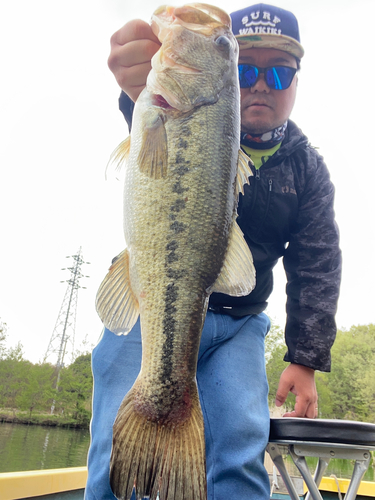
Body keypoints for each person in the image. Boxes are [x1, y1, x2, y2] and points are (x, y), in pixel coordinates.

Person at [85, 4, 342, 500]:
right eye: (245, 69)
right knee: (113, 449)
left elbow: (318, 263)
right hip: (148, 305)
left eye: (279, 71)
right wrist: (133, 83)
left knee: (241, 447)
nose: (261, 83)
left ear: (296, 81)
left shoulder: (308, 169)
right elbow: (147, 117)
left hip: (240, 324)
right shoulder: (169, 107)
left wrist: (305, 358)